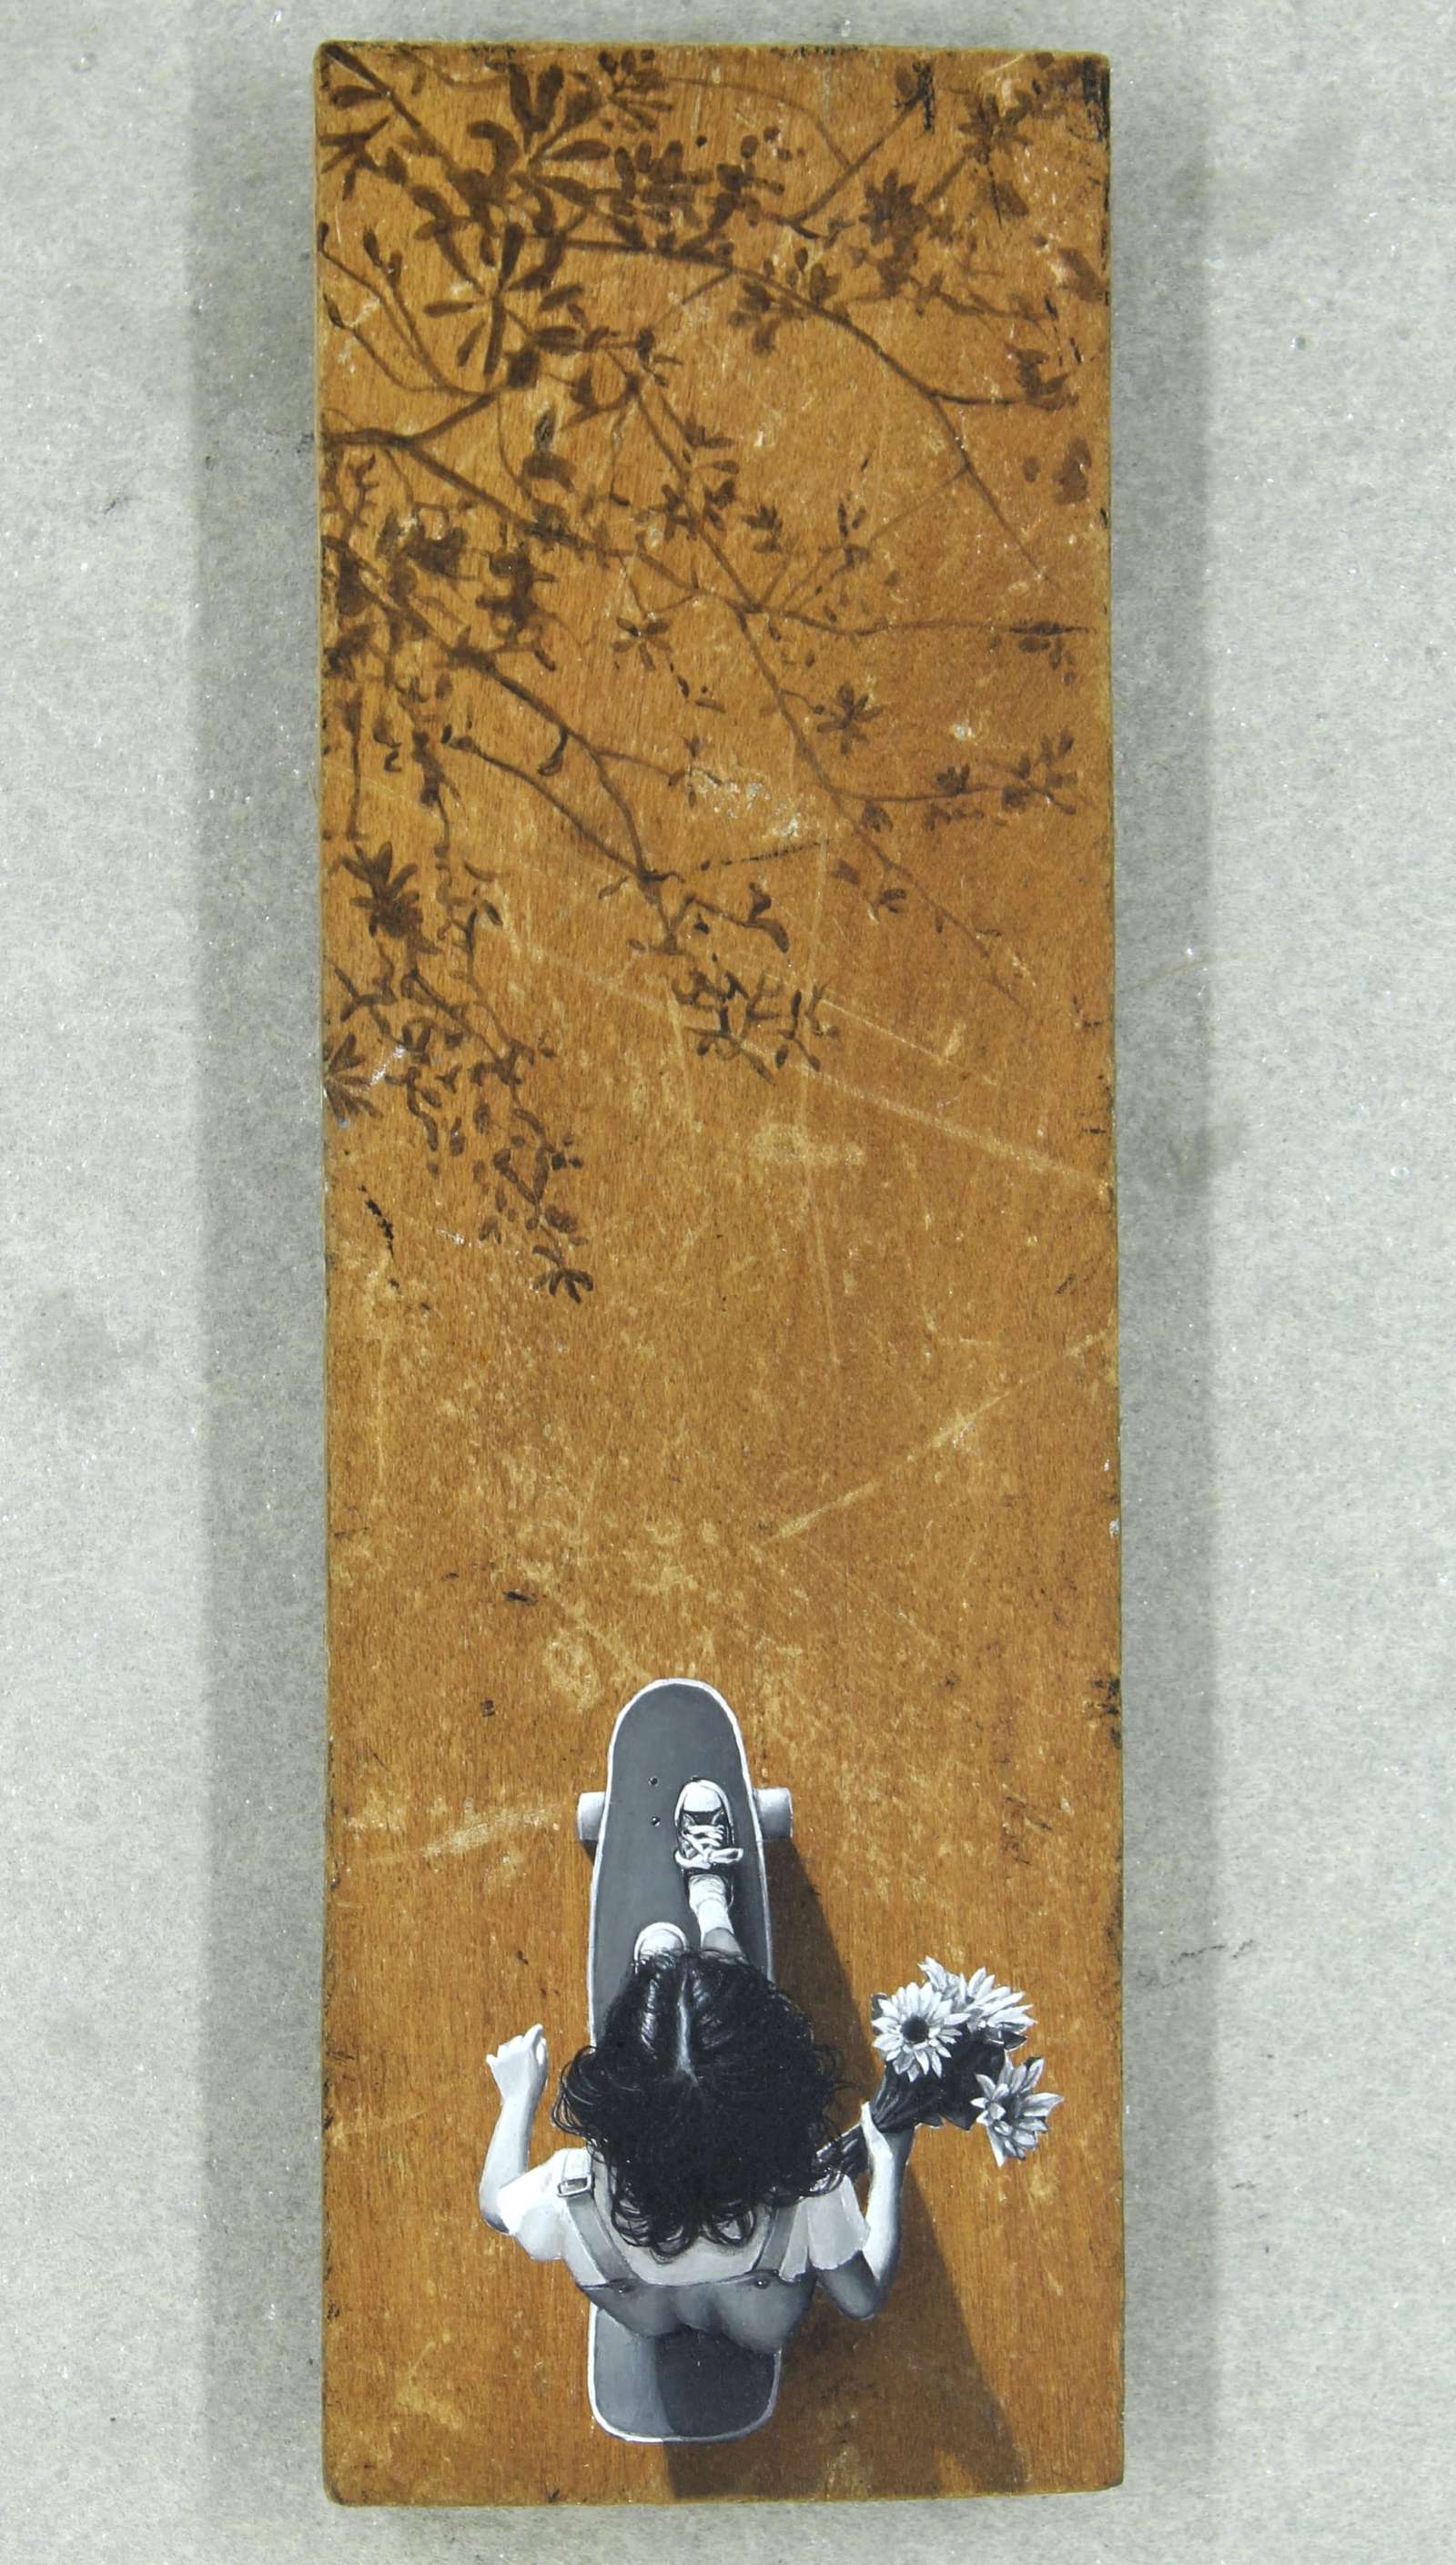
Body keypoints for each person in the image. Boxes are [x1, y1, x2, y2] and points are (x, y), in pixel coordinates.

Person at [480, 1778, 913, 2353]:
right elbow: (862, 2300)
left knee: (688, 2008)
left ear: (618, 2100)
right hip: (762, 2327)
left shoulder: (569, 2190)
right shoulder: (808, 2192)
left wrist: (517, 2098)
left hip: (650, 2319)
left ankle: (666, 1971)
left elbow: (496, 2203)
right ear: (776, 2091)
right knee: (719, 2007)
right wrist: (887, 2165)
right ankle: (709, 1899)